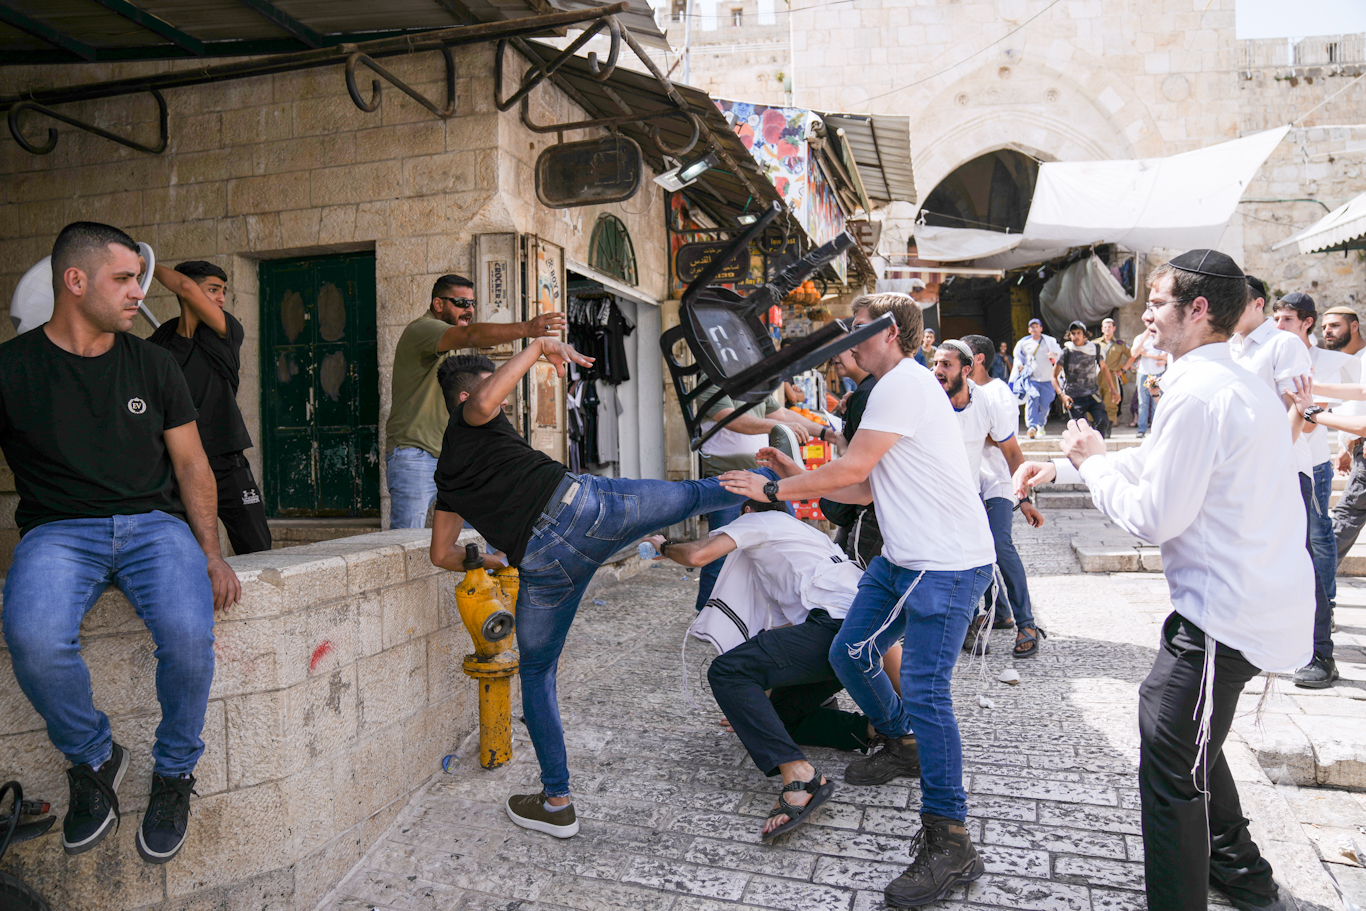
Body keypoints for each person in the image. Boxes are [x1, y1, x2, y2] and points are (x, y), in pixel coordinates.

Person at [1014, 249, 1312, 911]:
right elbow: (1158, 461)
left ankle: (1218, 883)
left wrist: (1090, 465)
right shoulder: (1222, 378)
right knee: (1178, 736)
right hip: (1228, 607)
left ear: (1197, 310)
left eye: (1155, 300)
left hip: (1223, 615)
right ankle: (1238, 869)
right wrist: (1067, 469)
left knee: (1173, 763)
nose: (1143, 314)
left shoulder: (1200, 390)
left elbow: (1155, 515)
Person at [427, 348, 772, 839]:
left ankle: (557, 801)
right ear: (464, 397)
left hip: (545, 564)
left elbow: (442, 553)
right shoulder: (470, 420)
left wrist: (490, 560)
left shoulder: (448, 479)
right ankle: (791, 485)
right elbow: (484, 403)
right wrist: (536, 347)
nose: (501, 402)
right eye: (492, 389)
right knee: (698, 493)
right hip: (589, 510)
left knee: (538, 674)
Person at [720, 293, 996, 907]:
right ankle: (900, 743)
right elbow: (868, 486)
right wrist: (790, 471)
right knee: (850, 651)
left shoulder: (902, 381)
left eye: (853, 329)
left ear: (889, 332)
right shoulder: (897, 386)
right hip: (902, 558)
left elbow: (854, 469)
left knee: (927, 692)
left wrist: (774, 487)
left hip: (946, 565)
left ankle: (951, 843)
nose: (842, 341)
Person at [0, 222, 242, 864]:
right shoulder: (10, 369)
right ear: (74, 282)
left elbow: (193, 466)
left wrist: (210, 552)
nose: (140, 291)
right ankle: (95, 756)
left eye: (140, 277)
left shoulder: (153, 363)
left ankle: (173, 773)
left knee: (190, 641)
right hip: (57, 532)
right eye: (125, 278)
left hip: (154, 527)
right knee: (32, 638)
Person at [642, 503, 868, 842]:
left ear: (747, 509)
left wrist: (664, 546)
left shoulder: (761, 520)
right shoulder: (800, 535)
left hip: (835, 629)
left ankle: (800, 776)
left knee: (726, 673)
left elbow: (698, 555)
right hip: (860, 632)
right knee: (778, 721)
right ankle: (871, 730)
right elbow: (783, 643)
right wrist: (749, 708)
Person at [385, 274, 565, 529]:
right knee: (404, 542)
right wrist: (527, 330)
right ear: (438, 304)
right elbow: (472, 335)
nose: (468, 309)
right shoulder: (422, 330)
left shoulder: (452, 343)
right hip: (417, 453)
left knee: (480, 534)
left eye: (472, 304)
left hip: (456, 456)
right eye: (460, 302)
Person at [1230, 276, 1334, 690]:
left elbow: (1300, 409)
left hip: (1286, 468)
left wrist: (1274, 455)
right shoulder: (1232, 347)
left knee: (1302, 560)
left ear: (1255, 304)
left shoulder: (1283, 344)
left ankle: (1321, 653)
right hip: (1245, 470)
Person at [148, 261, 271, 554]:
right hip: (179, 465)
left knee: (258, 548)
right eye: (213, 290)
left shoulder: (226, 331)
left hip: (227, 460)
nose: (221, 298)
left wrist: (144, 262)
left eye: (223, 291)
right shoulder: (160, 341)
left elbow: (187, 287)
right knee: (188, 554)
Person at [692, 381, 824, 610]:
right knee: (720, 554)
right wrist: (780, 425)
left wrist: (825, 432)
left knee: (786, 542)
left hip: (765, 478)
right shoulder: (711, 380)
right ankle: (707, 614)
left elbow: (782, 413)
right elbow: (732, 419)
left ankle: (789, 610)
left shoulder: (756, 382)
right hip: (726, 479)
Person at [1272, 292, 1356, 623]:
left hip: (1314, 463)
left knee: (1318, 535)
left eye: (1287, 319)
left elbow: (1350, 405)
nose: (1279, 325)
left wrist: (1344, 446)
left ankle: (1327, 604)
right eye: (1276, 318)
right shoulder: (1271, 354)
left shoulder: (1332, 361)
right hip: (1278, 459)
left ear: (1307, 323)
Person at [962, 334, 1047, 658]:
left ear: (977, 359)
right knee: (970, 549)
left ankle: (1026, 622)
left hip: (998, 481)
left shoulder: (999, 392)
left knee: (999, 546)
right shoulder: (955, 392)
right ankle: (990, 615)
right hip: (967, 483)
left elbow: (1006, 443)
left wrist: (1023, 496)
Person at [1320, 306, 1366, 570]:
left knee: (1344, 518)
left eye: (1335, 325)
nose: (1328, 331)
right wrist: (1345, 446)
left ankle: (1314, 584)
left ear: (1354, 326)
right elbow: (1350, 405)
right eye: (1325, 327)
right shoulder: (1338, 361)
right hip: (1357, 445)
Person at [1052, 320, 1116, 437]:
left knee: (1102, 421)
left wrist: (1113, 389)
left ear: (1084, 335)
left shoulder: (1094, 349)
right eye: (1073, 333)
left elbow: (1104, 369)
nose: (1075, 336)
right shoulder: (1066, 352)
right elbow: (1053, 377)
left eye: (1078, 333)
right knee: (1080, 431)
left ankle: (1098, 449)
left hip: (1092, 395)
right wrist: (1062, 395)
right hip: (1074, 397)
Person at [1011, 318, 1061, 438]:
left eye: (1036, 327)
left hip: (1048, 379)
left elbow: (1059, 354)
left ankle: (1041, 424)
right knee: (1033, 398)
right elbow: (1018, 357)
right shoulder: (1024, 343)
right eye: (1032, 327)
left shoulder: (1049, 342)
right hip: (1032, 378)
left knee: (1045, 404)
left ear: (1041, 329)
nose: (1034, 329)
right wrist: (1019, 365)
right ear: (1029, 330)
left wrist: (1053, 355)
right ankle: (1032, 426)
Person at [1124, 326, 1166, 437]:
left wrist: (1147, 355)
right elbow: (1134, 353)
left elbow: (1164, 356)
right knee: (1142, 402)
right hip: (1143, 373)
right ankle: (1141, 429)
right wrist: (1143, 339)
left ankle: (1155, 429)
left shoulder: (1161, 337)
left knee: (1156, 402)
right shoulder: (1139, 338)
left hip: (1156, 373)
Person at [1097, 317, 1130, 429]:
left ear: (1114, 328)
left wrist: (1123, 370)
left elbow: (1132, 356)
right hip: (1096, 374)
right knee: (1095, 398)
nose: (1107, 329)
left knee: (1110, 401)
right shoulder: (1095, 343)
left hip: (1111, 374)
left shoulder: (1120, 344)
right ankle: (1095, 425)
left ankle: (1109, 426)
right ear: (1102, 329)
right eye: (1105, 327)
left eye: (1109, 327)